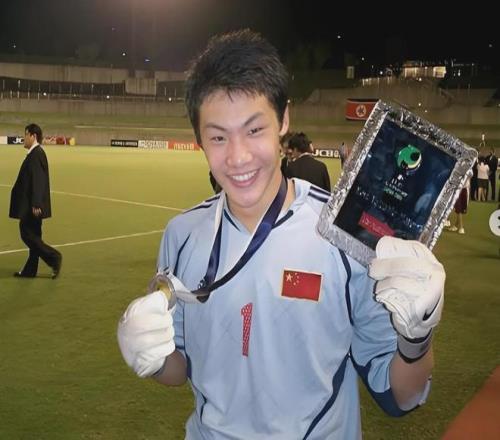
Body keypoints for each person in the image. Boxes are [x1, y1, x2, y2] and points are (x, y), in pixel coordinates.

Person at [117, 30, 445, 439]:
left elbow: (399, 396)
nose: (238, 157)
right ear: (199, 139)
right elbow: (179, 368)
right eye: (218, 137)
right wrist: (150, 355)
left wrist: (416, 339)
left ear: (284, 120)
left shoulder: (343, 233)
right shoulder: (181, 235)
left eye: (254, 130)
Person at [9, 123, 62, 278]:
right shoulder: (35, 154)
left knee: (26, 233)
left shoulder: (36, 154)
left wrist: (36, 203)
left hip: (32, 206)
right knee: (34, 236)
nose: (24, 138)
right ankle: (30, 270)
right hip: (31, 204)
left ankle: (54, 257)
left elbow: (38, 180)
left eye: (25, 134)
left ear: (33, 136)